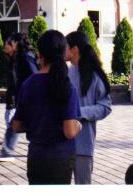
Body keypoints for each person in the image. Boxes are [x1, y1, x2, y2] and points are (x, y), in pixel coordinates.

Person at [12, 30, 82, 184]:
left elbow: (16, 126)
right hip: (61, 158)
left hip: (36, 157)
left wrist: (36, 124)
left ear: (40, 54)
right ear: (64, 54)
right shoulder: (67, 86)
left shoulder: (28, 84)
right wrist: (79, 126)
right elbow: (70, 131)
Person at [65, 31, 112, 184]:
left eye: (66, 47)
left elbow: (105, 106)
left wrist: (79, 112)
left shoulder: (94, 76)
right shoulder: (65, 72)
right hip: (61, 142)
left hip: (83, 144)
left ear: (75, 49)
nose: (63, 50)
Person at [0, 33, 38, 162]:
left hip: (29, 98)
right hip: (24, 98)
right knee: (20, 124)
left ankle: (6, 151)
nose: (9, 44)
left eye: (11, 41)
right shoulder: (19, 56)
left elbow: (35, 76)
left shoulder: (25, 57)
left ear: (17, 43)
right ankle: (7, 151)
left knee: (16, 124)